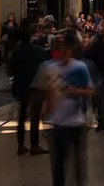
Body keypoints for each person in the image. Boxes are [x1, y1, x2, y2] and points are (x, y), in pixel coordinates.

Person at [40, 31, 95, 186]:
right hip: (59, 123)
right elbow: (48, 97)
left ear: (70, 50)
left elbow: (90, 90)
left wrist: (76, 91)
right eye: (59, 49)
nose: (62, 52)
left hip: (78, 122)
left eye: (65, 49)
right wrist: (47, 114)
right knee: (59, 162)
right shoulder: (51, 69)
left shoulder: (80, 67)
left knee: (78, 160)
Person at [10, 23, 49, 155]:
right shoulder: (38, 51)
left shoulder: (16, 51)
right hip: (34, 85)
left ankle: (20, 144)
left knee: (21, 116)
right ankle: (34, 144)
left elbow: (10, 70)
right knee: (34, 115)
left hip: (20, 85)